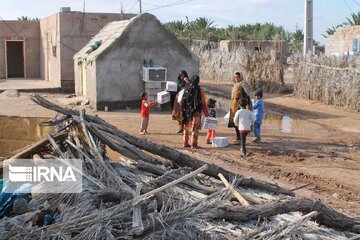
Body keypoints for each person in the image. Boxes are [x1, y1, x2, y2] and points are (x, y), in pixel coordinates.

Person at [181, 75, 209, 148]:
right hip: (196, 112)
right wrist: (206, 112)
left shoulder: (186, 89)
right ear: (198, 81)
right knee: (195, 128)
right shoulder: (200, 90)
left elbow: (182, 101)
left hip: (187, 113)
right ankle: (194, 144)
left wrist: (184, 110)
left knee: (186, 127)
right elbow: (203, 102)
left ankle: (185, 143)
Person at [228, 71, 252, 145]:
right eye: (235, 77)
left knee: (241, 122)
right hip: (234, 105)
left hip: (241, 105)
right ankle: (238, 138)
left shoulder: (243, 84)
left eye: (237, 77)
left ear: (240, 77)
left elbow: (246, 94)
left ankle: (241, 138)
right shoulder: (235, 84)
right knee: (236, 122)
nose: (236, 78)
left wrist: (244, 104)